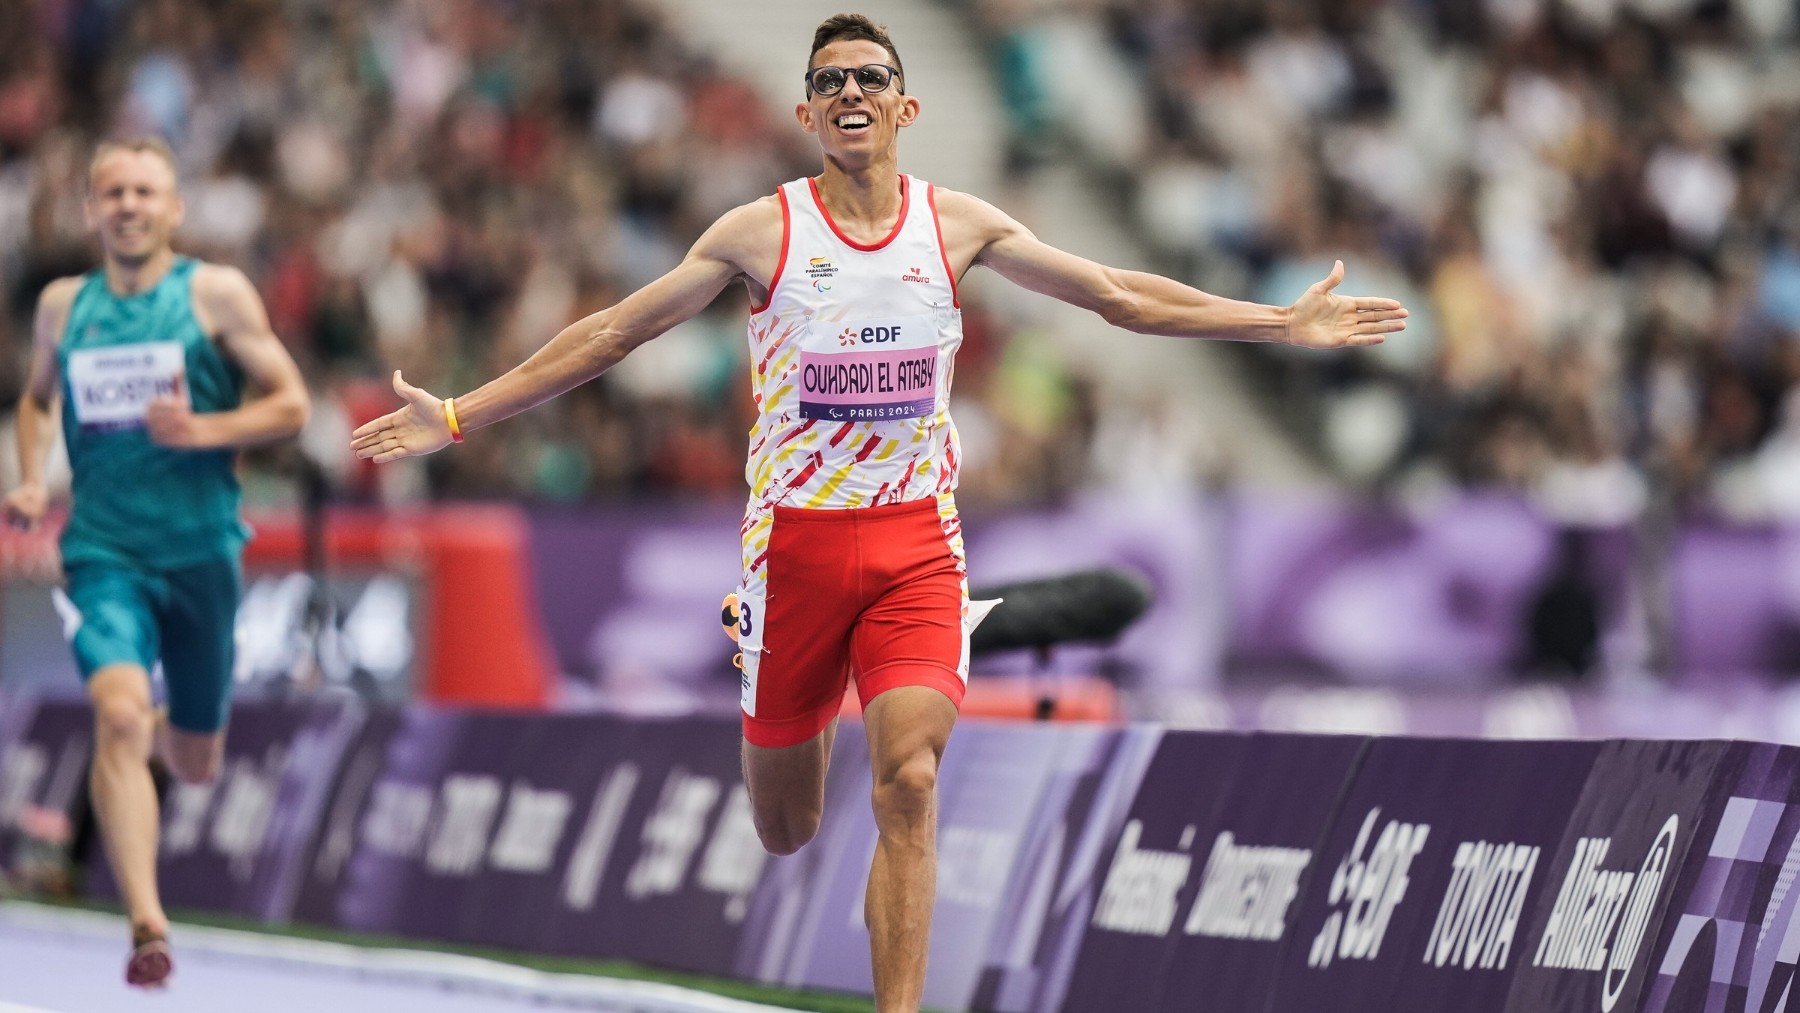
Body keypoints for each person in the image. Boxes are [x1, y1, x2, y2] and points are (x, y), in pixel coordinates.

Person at [352, 14, 1406, 1012]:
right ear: (808, 114)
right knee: (788, 825)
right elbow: (613, 334)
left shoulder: (959, 226)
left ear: (905, 107)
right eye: (829, 82)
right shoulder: (761, 233)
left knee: (908, 775)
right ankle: (774, 644)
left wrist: (1278, 320)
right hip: (795, 557)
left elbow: (1119, 297)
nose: (850, 91)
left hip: (915, 547)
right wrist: (458, 411)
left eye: (869, 78)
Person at [3, 137, 311, 989]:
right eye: (113, 192)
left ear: (173, 208)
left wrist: (205, 430)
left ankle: (154, 790)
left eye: (145, 191)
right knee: (121, 716)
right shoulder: (63, 307)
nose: (129, 205)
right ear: (92, 209)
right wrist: (31, 479)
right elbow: (34, 399)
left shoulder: (214, 294)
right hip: (104, 553)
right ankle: (146, 918)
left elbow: (291, 402)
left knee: (195, 759)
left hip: (203, 554)